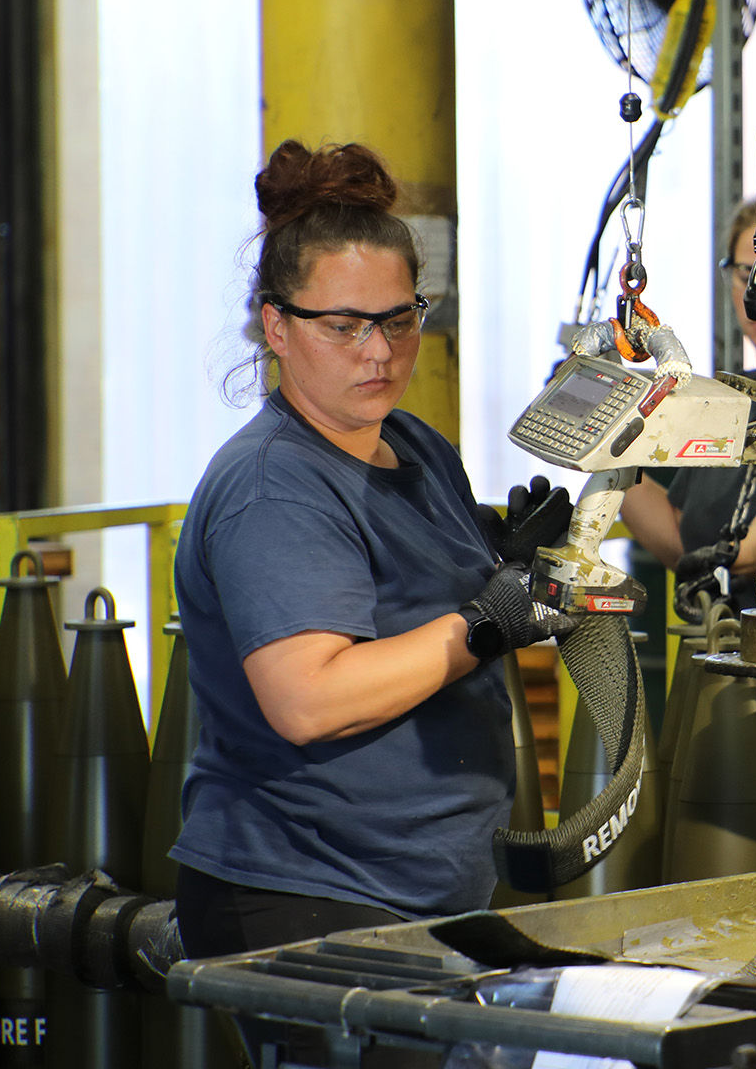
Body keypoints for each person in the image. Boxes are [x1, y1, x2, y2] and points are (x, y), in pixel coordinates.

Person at [171, 141, 574, 957]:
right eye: (345, 326)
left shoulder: (413, 445)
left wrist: (503, 559)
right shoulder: (273, 485)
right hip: (310, 897)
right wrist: (484, 624)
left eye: (398, 319)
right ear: (276, 327)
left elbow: (412, 592)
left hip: (424, 889)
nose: (380, 352)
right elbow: (309, 700)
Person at [618, 199, 756, 609]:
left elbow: (749, 556)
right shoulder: (731, 401)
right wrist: (604, 443)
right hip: (712, 651)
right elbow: (680, 541)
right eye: (745, 274)